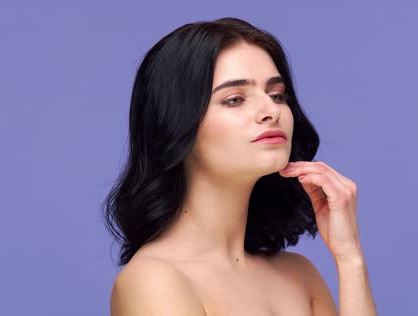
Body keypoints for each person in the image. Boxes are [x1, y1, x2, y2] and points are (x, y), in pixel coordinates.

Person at [104, 17, 377, 315]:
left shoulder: (300, 274)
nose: (271, 110)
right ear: (175, 124)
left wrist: (350, 258)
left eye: (277, 95)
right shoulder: (153, 281)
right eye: (234, 99)